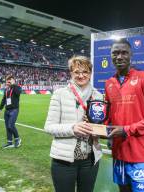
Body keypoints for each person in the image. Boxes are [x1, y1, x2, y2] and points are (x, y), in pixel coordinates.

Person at [105, 39, 144, 192]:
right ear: (111, 56)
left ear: (131, 55)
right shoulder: (109, 83)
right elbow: (108, 116)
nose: (119, 57)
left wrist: (127, 130)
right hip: (119, 152)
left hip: (141, 154)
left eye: (123, 53)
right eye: (115, 53)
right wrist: (100, 128)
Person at [44, 55, 103, 192]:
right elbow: (49, 127)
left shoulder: (98, 96)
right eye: (77, 72)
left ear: (90, 73)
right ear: (71, 73)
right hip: (64, 161)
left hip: (90, 160)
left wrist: (98, 129)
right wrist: (73, 128)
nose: (81, 75)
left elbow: (100, 125)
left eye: (85, 72)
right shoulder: (59, 94)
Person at [0, 75, 22, 149]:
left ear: (13, 81)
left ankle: (17, 139)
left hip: (14, 110)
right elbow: (4, 100)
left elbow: (18, 93)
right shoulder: (6, 89)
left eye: (9, 81)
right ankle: (9, 142)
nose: (7, 82)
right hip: (7, 110)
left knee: (11, 125)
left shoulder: (17, 87)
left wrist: (13, 84)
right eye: (7, 81)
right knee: (7, 127)